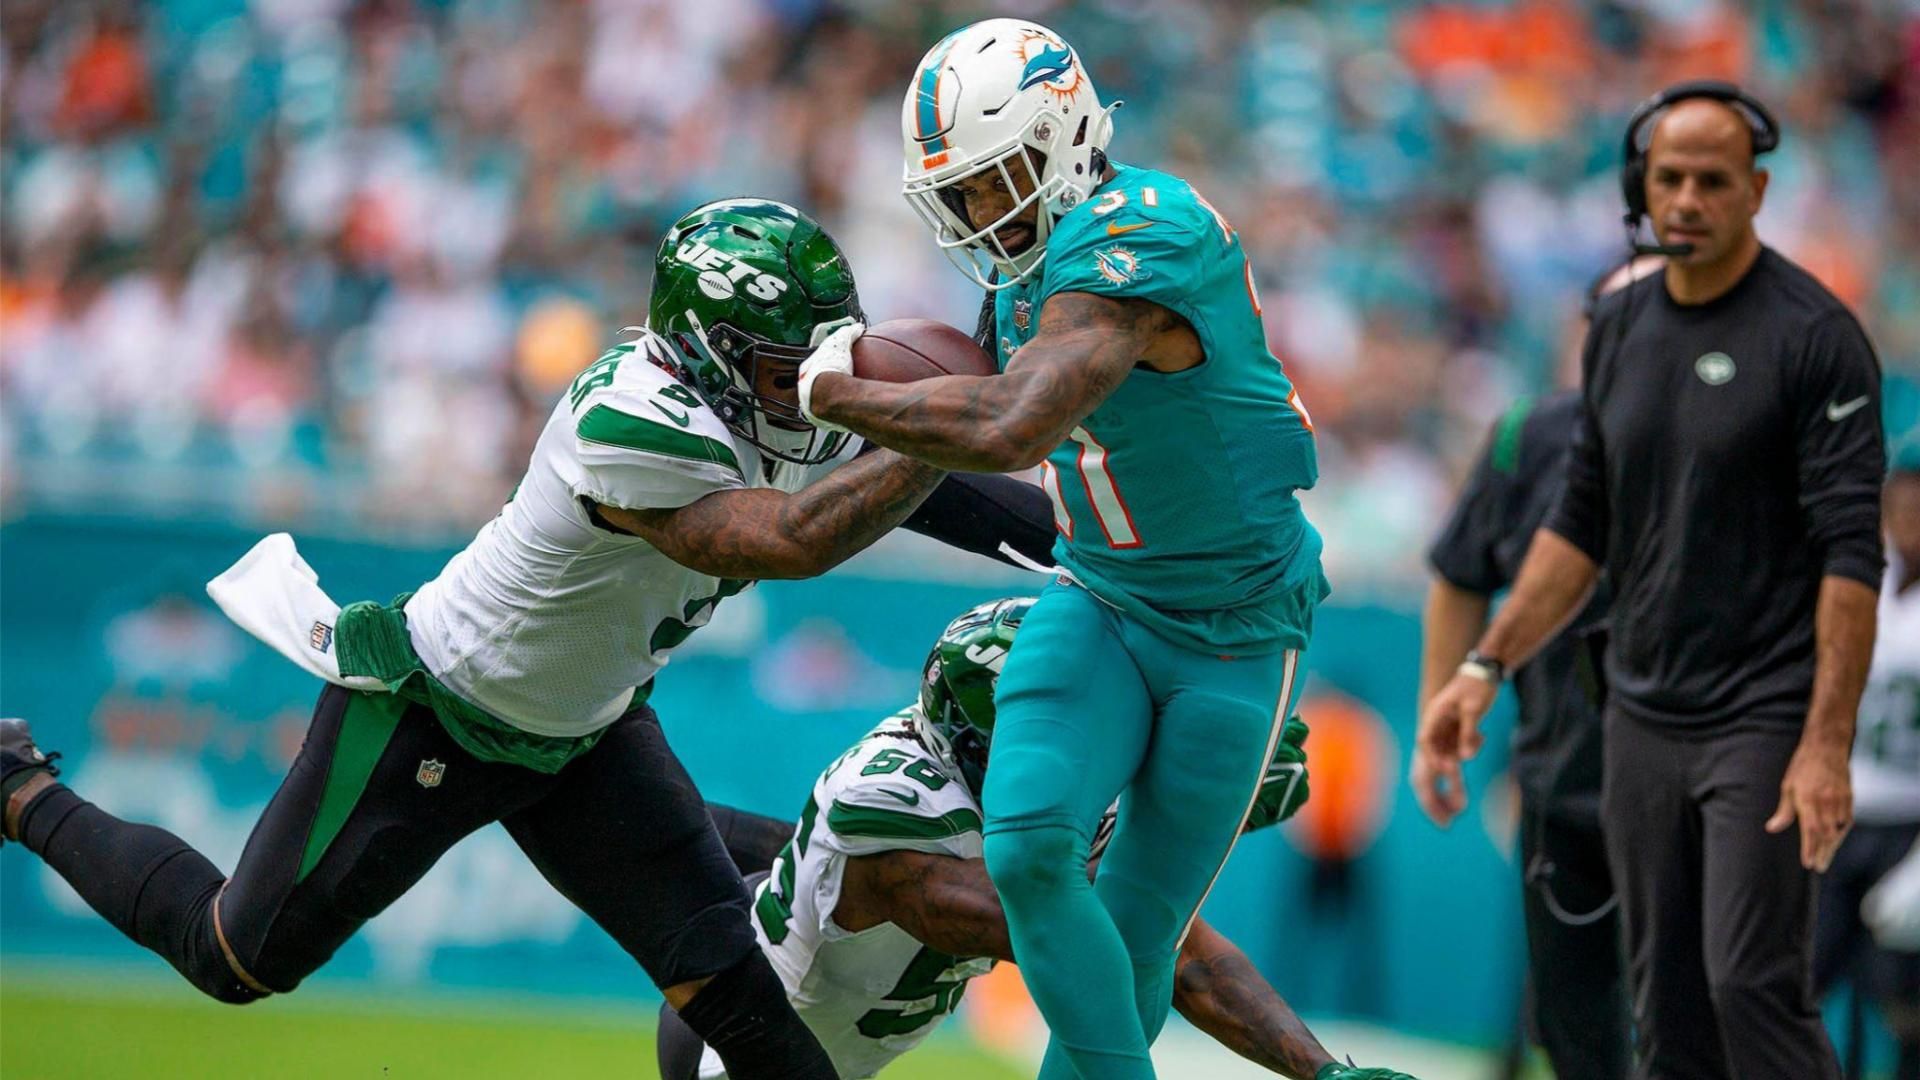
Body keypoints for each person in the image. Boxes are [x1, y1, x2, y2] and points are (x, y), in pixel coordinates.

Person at [0, 199, 1053, 1079]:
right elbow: (792, 538)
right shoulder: (629, 420)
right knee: (236, 954)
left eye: (822, 358)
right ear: (710, 355)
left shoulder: (776, 395)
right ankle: (20, 789)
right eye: (788, 369)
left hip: (588, 739)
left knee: (752, 1015)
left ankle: (813, 855)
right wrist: (940, 422)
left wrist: (1090, 548)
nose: (815, 388)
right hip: (436, 718)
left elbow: (944, 495)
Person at [797, 19, 1328, 1077]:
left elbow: (1010, 427)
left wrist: (833, 391)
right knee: (1033, 853)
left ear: (1070, 133)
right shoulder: (1022, 280)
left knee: (1137, 932)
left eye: (1004, 181)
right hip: (1104, 594)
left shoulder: (1148, 230)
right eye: (967, 196)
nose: (988, 214)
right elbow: (975, 463)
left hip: (1235, 626)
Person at [1420, 83, 1885, 1079]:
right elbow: (1579, 524)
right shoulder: (1623, 325)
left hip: (1763, 715)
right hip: (1641, 715)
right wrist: (1484, 666)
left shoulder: (1815, 336)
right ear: (1640, 186)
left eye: (1712, 181)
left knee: (1747, 984)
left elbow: (1854, 554)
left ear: (1757, 191)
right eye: (1668, 178)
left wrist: (1826, 746)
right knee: (1666, 1011)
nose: (1686, 199)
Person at [657, 597, 1419, 1080]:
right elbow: (1105, 941)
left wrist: (1322, 1073)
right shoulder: (892, 806)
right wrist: (1185, 806)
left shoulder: (1007, 786)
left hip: (837, 1013)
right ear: (986, 737)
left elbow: (1179, 953)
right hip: (736, 1043)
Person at [1414, 257, 1661, 1080]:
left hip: (1700, 786)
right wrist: (1436, 718)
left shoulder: (1744, 439)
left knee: (1706, 1014)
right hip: (1564, 781)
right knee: (1575, 1028)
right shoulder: (1531, 436)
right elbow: (1459, 576)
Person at [1815, 458, 1920, 1078]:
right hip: (1843, 810)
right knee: (1802, 979)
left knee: (1905, 1005)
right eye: (1899, 507)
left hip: (1910, 821)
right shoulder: (1857, 585)